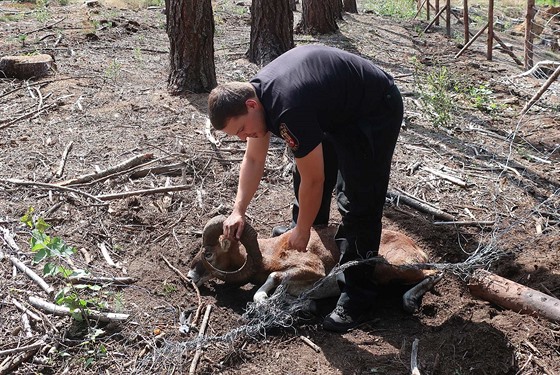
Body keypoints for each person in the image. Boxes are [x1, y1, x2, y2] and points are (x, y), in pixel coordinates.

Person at [207, 44, 403, 332]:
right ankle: (311, 240)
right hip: (334, 110)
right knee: (305, 172)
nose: (242, 138)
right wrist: (239, 210)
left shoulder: (287, 106)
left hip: (373, 110)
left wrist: (301, 228)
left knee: (359, 202)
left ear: (250, 106)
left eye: (241, 130)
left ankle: (357, 296)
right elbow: (253, 157)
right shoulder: (258, 100)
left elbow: (316, 179)